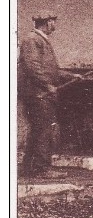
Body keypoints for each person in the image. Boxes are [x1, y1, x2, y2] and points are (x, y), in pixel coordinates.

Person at [18, 11, 79, 178]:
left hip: (41, 92)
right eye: (53, 21)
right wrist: (47, 85)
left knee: (38, 130)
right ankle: (41, 169)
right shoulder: (33, 40)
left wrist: (71, 75)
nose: (54, 25)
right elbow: (33, 67)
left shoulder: (41, 40)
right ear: (46, 23)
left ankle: (29, 168)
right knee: (44, 130)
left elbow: (50, 69)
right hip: (38, 94)